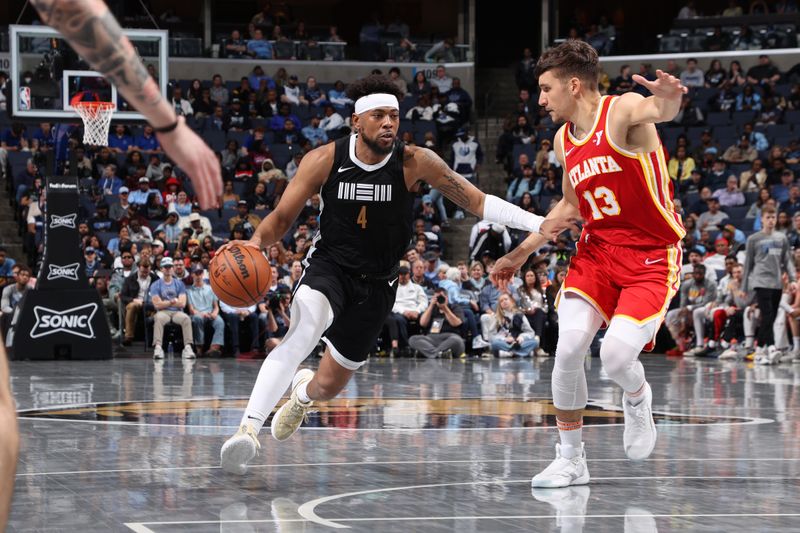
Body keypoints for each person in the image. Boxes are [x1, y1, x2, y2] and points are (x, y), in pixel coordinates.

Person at [219, 74, 576, 474]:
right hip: (329, 269)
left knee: (329, 386)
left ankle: (301, 394)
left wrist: (537, 221)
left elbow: (476, 201)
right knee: (301, 332)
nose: (389, 123)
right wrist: (254, 243)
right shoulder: (323, 160)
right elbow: (282, 218)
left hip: (380, 284)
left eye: (394, 115)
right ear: (357, 122)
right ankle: (247, 430)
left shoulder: (414, 161)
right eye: (379, 116)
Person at [491, 40, 687, 488]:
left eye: (545, 89)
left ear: (573, 85)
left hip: (650, 254)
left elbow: (660, 109)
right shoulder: (563, 139)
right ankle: (571, 459)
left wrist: (672, 94)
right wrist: (519, 253)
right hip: (597, 253)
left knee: (617, 358)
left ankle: (637, 399)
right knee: (568, 350)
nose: (540, 99)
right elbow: (568, 207)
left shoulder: (620, 112)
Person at [743, 206, 796, 364]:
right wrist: (744, 287)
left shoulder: (781, 238)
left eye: (774, 217)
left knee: (770, 316)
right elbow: (747, 265)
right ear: (762, 219)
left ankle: (761, 350)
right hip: (760, 281)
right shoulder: (753, 239)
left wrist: (792, 279)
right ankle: (770, 348)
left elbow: (787, 260)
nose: (771, 220)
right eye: (768, 217)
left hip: (777, 282)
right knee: (767, 314)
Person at [148, 257, 195, 359]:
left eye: (170, 267)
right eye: (165, 267)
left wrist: (164, 302)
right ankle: (158, 347)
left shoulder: (179, 284)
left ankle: (187, 347)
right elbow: (157, 305)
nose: (168, 269)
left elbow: (182, 303)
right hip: (163, 312)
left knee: (186, 319)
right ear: (161, 269)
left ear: (173, 268)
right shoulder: (155, 285)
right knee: (158, 318)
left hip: (177, 312)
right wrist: (172, 301)